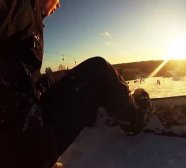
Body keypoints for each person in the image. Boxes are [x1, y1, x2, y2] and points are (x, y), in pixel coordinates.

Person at [0, 0, 151, 167]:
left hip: (23, 125)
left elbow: (21, 76)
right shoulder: (19, 6)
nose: (59, 5)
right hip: (21, 140)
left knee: (49, 80)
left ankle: (92, 108)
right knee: (99, 69)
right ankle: (134, 120)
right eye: (58, 0)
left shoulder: (32, 19)